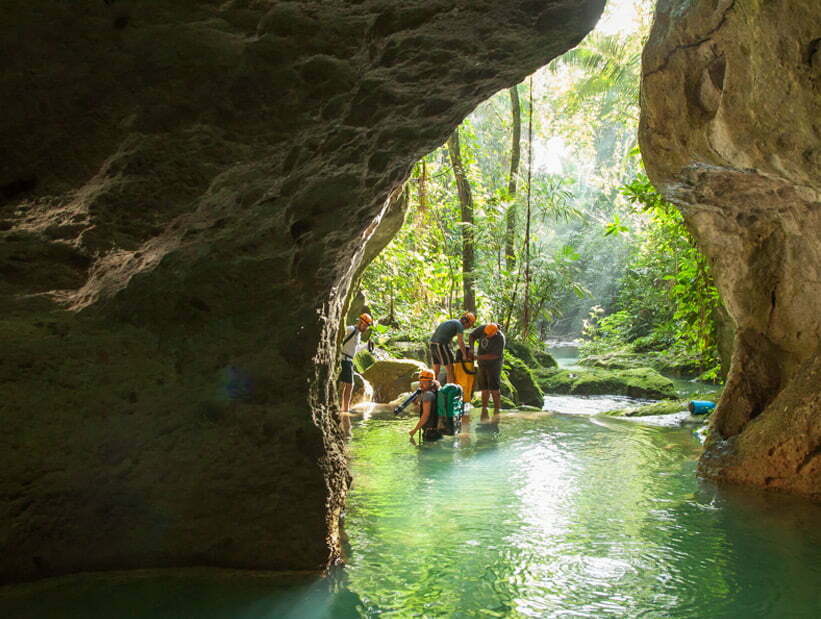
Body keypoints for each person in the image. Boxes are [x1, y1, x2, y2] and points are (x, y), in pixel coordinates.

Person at [469, 322, 505, 427]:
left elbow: (494, 355)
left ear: (496, 332)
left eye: (490, 335)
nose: (487, 336)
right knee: (484, 387)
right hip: (482, 364)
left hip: (494, 364)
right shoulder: (484, 329)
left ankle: (497, 411)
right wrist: (472, 348)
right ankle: (484, 409)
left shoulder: (500, 338)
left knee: (494, 388)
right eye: (486, 334)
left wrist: (477, 357)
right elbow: (472, 336)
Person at [339, 313, 374, 414]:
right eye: (364, 325)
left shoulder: (358, 334)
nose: (365, 327)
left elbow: (355, 350)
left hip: (349, 360)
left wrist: (366, 346)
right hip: (344, 359)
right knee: (349, 385)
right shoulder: (350, 329)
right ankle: (344, 409)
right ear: (359, 322)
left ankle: (344, 408)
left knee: (348, 385)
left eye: (367, 326)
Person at [429, 312, 476, 384]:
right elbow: (460, 341)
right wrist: (464, 355)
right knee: (450, 370)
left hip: (433, 345)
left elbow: (448, 337)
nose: (468, 327)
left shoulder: (453, 322)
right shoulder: (459, 325)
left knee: (436, 371)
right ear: (466, 322)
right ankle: (450, 390)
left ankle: (432, 388)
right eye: (469, 325)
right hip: (441, 345)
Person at [408, 369, 439, 443]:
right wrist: (417, 401)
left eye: (424, 382)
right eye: (420, 382)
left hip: (430, 433)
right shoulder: (436, 390)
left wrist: (414, 430)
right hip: (438, 430)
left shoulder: (427, 395)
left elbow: (425, 415)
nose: (421, 385)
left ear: (431, 382)